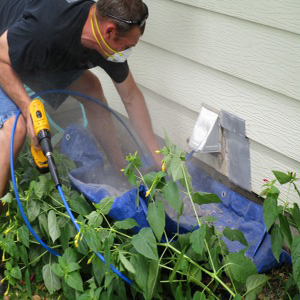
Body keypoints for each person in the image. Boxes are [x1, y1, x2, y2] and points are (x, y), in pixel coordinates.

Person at [0, 0, 162, 197]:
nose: (127, 52)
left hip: (29, 51)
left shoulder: (105, 41)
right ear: (109, 32)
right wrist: (28, 109)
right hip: (3, 56)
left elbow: (131, 97)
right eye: (128, 45)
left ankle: (120, 169)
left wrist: (158, 158)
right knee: (14, 129)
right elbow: (1, 57)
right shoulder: (48, 29)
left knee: (92, 88)